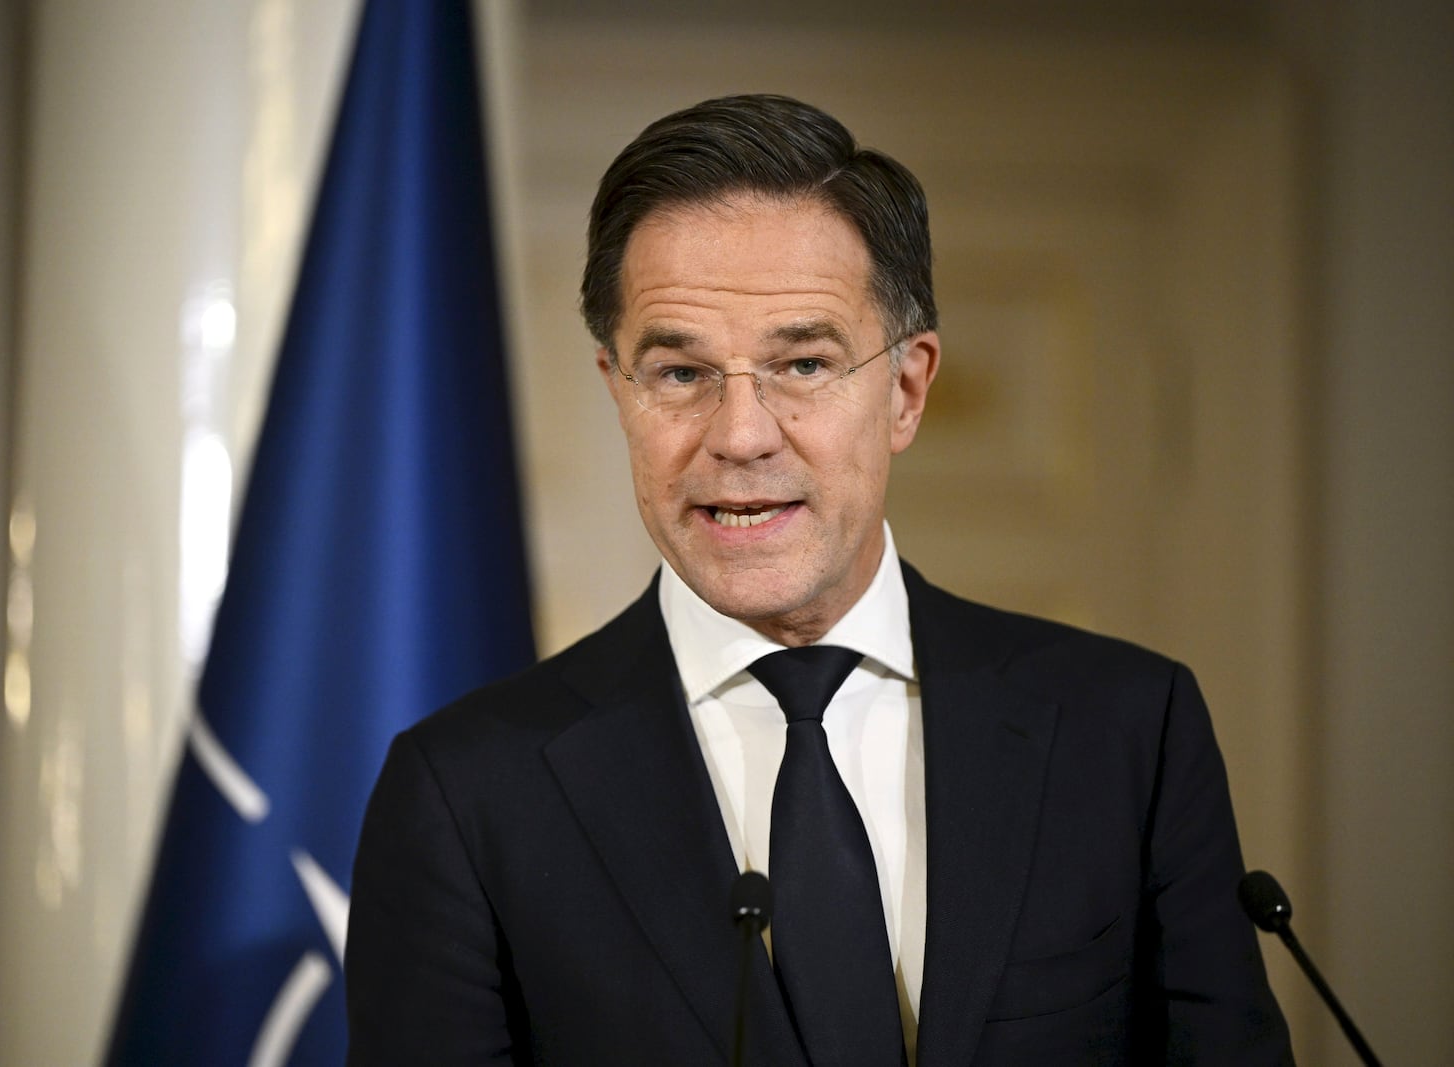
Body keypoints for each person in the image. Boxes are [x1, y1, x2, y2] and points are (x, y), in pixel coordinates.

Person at [345, 94, 1292, 1066]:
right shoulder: (464, 791)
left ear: (906, 388)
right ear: (616, 387)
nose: (740, 434)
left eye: (802, 362)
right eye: (678, 373)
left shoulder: (1128, 727)